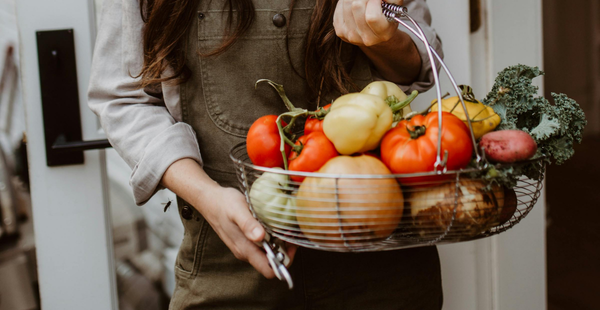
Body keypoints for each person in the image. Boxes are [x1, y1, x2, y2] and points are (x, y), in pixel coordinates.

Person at [89, 0, 444, 309]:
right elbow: (124, 98)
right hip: (226, 270)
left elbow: (420, 67)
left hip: (384, 266)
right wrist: (208, 198)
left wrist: (382, 36)